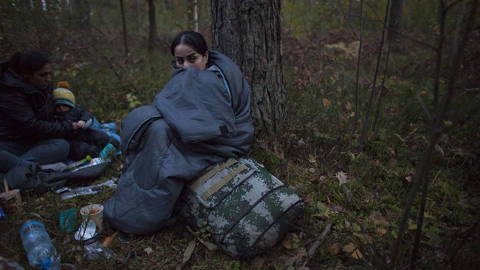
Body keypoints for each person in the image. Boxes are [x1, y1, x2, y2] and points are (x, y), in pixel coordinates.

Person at [104, 31, 254, 235]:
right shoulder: (191, 73)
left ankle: (137, 218)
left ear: (206, 56)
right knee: (153, 128)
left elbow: (211, 125)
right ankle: (128, 205)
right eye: (179, 61)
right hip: (194, 133)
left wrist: (172, 120)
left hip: (223, 140)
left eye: (192, 59)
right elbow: (177, 105)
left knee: (163, 143)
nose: (186, 67)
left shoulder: (212, 79)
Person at [0, 51, 74, 166]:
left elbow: (54, 112)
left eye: (50, 74)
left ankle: (23, 167)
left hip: (33, 140)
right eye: (43, 75)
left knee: (62, 145)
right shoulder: (9, 92)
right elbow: (31, 126)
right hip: (10, 142)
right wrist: (66, 127)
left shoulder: (44, 86)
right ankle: (24, 170)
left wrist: (71, 121)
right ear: (26, 75)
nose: (48, 79)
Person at [52, 81, 118, 160]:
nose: (61, 108)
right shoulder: (55, 116)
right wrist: (70, 126)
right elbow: (56, 127)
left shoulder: (76, 109)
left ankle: (110, 143)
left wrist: (83, 121)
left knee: (97, 135)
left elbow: (86, 114)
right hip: (71, 139)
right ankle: (94, 153)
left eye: (64, 105)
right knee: (80, 148)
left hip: (83, 131)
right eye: (58, 106)